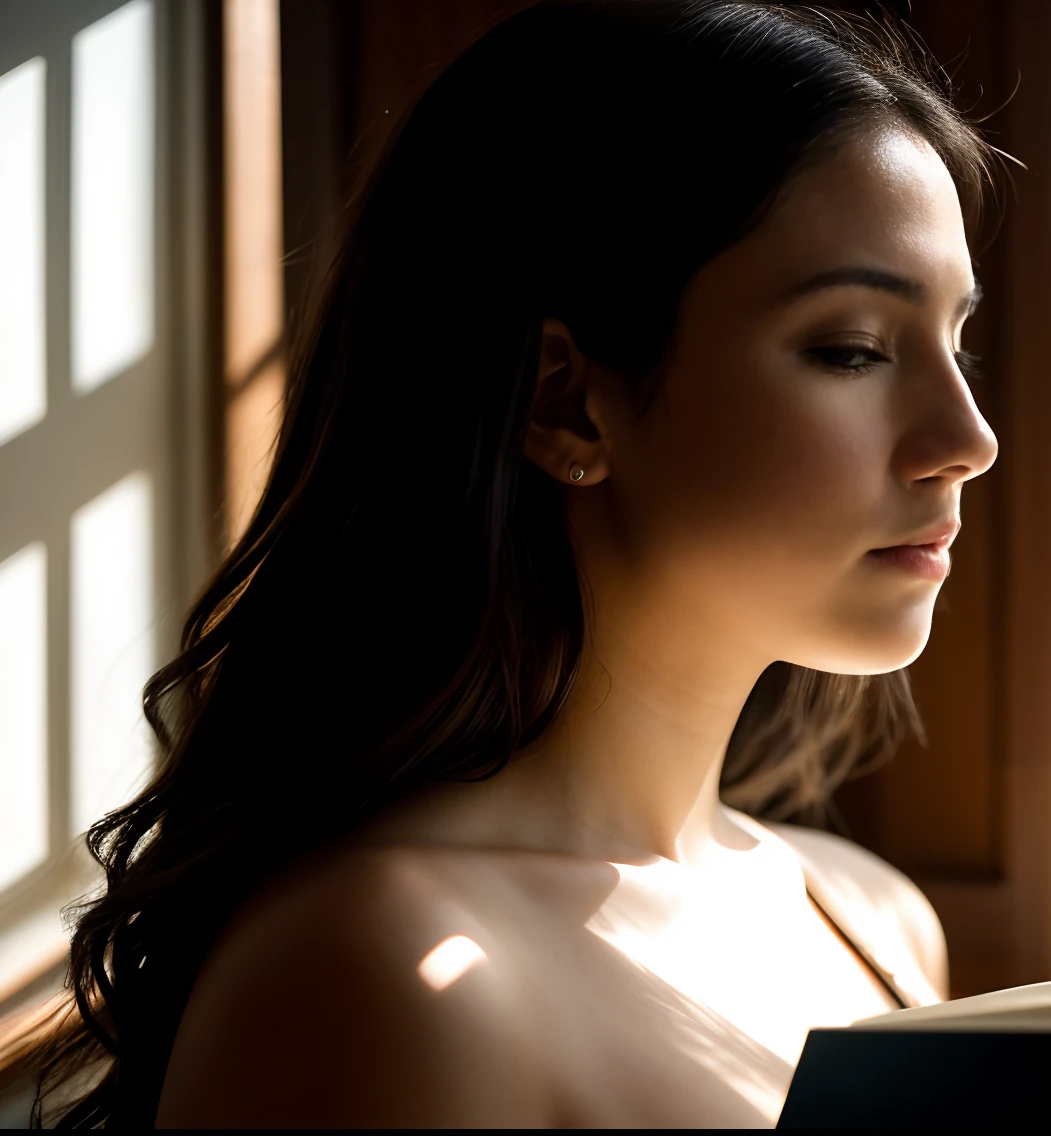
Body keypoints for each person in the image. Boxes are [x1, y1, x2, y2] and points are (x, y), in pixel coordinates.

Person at [33, 1, 998, 1125]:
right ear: (562, 399)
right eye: (853, 350)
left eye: (958, 339)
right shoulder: (385, 976)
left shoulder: (871, 917)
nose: (969, 438)